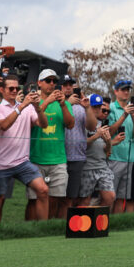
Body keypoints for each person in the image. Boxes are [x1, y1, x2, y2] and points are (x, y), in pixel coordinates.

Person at [0, 77, 50, 222]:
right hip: (0, 163)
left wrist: (37, 107)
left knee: (43, 190)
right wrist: (22, 106)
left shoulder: (28, 107)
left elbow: (43, 124)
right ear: (1, 90)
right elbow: (4, 126)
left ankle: (44, 228)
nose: (15, 91)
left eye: (17, 88)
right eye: (11, 88)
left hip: (22, 161)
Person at [27, 69, 75, 220]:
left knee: (55, 199)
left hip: (58, 159)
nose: (52, 84)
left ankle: (47, 227)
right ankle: (29, 228)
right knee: (33, 199)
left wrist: (63, 105)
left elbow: (70, 125)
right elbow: (30, 124)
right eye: (48, 81)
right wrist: (47, 102)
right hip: (36, 158)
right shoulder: (32, 102)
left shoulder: (64, 103)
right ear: (39, 83)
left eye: (54, 81)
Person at [106, 79, 134, 213]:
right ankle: (106, 221)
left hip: (129, 159)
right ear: (116, 92)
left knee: (121, 197)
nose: (126, 92)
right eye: (123, 90)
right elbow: (109, 131)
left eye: (128, 90)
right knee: (110, 196)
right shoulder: (111, 108)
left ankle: (118, 222)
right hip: (113, 157)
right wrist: (124, 114)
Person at [77, 96, 116, 208]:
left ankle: (97, 218)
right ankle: (84, 219)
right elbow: (81, 145)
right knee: (85, 201)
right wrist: (96, 136)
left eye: (99, 107)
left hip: (102, 166)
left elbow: (107, 152)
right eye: (94, 107)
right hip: (87, 167)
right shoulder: (83, 122)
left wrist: (108, 141)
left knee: (110, 197)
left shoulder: (103, 124)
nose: (98, 110)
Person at [60, 76, 89, 219]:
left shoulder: (81, 107)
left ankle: (65, 225)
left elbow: (91, 126)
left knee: (71, 197)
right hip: (58, 157)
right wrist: (66, 104)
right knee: (55, 197)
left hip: (77, 157)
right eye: (64, 85)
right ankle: (51, 225)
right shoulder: (54, 104)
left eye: (70, 85)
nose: (68, 87)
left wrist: (87, 107)